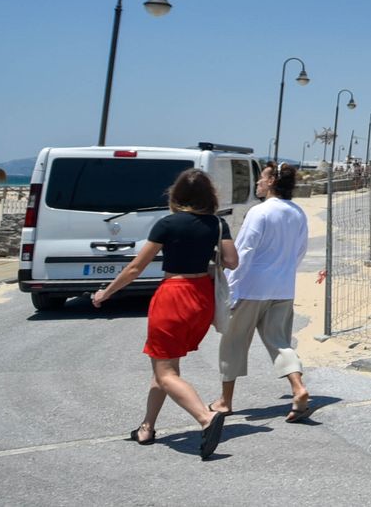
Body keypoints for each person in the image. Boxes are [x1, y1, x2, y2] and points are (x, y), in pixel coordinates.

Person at [93, 168, 237, 459]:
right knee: (164, 368)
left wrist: (105, 293)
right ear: (209, 196)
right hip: (201, 298)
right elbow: (232, 261)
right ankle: (147, 428)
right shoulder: (217, 223)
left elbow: (135, 268)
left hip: (173, 296)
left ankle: (206, 418)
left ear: (177, 194)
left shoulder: (167, 224)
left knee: (166, 371)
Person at [212, 163, 313, 422]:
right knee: (280, 342)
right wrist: (284, 272)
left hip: (252, 287)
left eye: (261, 178)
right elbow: (300, 250)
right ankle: (298, 388)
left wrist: (231, 286)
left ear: (271, 182)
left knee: (233, 342)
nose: (257, 182)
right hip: (283, 286)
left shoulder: (259, 212)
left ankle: (225, 401)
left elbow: (244, 251)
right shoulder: (298, 212)